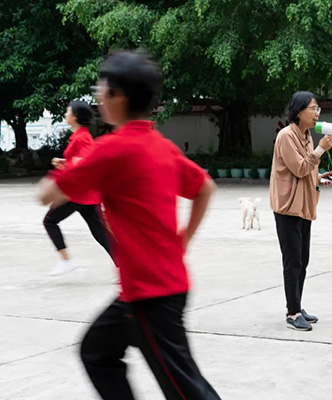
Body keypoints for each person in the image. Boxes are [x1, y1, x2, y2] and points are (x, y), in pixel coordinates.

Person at [40, 50, 220, 400]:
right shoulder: (160, 146)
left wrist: (63, 170)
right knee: (97, 352)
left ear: (117, 96)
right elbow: (205, 189)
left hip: (151, 294)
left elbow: (48, 195)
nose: (97, 95)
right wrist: (183, 241)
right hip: (153, 287)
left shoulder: (111, 148)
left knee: (185, 388)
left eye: (101, 88)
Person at [270, 91, 332, 331]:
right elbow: (298, 168)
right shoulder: (286, 136)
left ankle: (297, 304)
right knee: (292, 261)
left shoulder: (306, 135)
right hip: (288, 207)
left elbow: (307, 168)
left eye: (318, 109)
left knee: (302, 260)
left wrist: (319, 176)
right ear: (299, 112)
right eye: (313, 108)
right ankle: (292, 312)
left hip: (304, 205)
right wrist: (320, 150)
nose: (317, 113)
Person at [43, 100, 112, 276]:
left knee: (50, 221)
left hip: (77, 193)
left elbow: (87, 163)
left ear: (75, 116)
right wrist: (65, 162)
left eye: (68, 111)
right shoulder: (81, 135)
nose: (66, 114)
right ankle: (126, 268)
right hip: (87, 194)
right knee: (100, 232)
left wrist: (64, 186)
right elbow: (81, 161)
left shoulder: (81, 138)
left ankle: (67, 261)